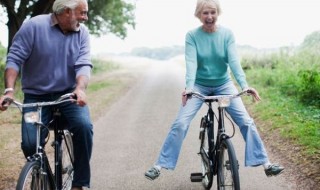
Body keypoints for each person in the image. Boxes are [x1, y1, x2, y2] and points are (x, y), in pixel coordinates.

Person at [144, 0, 284, 181]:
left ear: (218, 13)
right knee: (180, 123)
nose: (209, 17)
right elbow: (191, 63)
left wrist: (244, 86)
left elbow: (233, 62)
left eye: (213, 12)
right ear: (198, 15)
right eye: (205, 13)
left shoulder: (227, 34)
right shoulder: (192, 36)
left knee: (246, 121)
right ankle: (159, 165)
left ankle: (266, 164)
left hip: (223, 84)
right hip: (199, 85)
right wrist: (188, 88)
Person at [0, 0, 93, 189]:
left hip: (69, 96)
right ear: (67, 11)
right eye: (82, 13)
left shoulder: (82, 33)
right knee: (30, 145)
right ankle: (41, 173)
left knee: (83, 127)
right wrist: (9, 90)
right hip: (36, 98)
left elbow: (83, 64)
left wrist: (80, 88)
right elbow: (14, 58)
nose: (85, 18)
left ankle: (80, 183)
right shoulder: (33, 27)